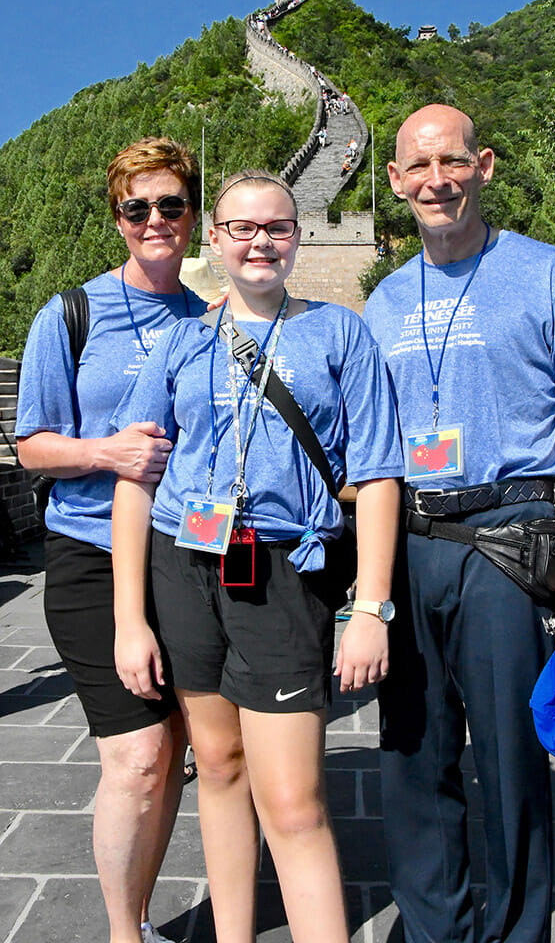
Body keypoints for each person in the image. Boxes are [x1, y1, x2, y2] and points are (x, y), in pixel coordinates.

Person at [110, 170, 403, 943]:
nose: (260, 241)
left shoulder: (340, 333)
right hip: (185, 564)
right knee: (220, 763)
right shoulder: (181, 341)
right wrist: (128, 620)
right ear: (217, 240)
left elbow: (376, 474)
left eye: (276, 227)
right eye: (242, 228)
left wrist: (370, 607)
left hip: (281, 572)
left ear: (298, 236)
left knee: (295, 801)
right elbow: (136, 480)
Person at [363, 104, 555, 943]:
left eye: (452, 161)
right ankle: (436, 925)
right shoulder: (383, 298)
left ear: (483, 166)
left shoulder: (551, 274)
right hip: (410, 540)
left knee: (510, 756)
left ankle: (516, 929)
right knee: (413, 753)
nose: (435, 180)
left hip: (506, 538)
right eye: (417, 166)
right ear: (397, 182)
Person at [15, 136, 207, 943]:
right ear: (117, 218)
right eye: (138, 207)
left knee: (170, 755)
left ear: (193, 214)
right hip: (91, 555)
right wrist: (106, 452)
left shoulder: (212, 318)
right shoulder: (72, 313)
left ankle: (139, 912)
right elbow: (31, 445)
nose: (155, 219)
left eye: (171, 204)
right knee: (132, 759)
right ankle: (123, 933)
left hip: (183, 556)